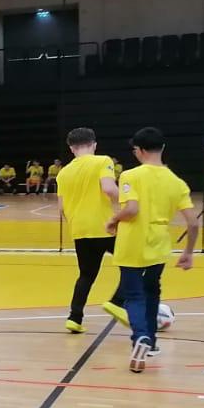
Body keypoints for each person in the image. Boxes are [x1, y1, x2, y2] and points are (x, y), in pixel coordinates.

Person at [108, 126, 200, 373]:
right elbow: (193, 223)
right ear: (163, 148)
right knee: (152, 292)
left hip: (132, 244)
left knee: (133, 296)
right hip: (159, 244)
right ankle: (151, 343)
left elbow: (132, 209)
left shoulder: (130, 176)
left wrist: (114, 220)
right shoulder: (177, 182)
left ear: (138, 150)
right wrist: (188, 253)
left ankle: (140, 337)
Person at [56, 127, 125, 334]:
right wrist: (129, 203)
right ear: (94, 144)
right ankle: (117, 302)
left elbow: (61, 208)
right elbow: (109, 188)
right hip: (105, 227)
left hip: (80, 230)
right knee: (135, 264)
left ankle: (74, 318)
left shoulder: (63, 172)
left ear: (71, 148)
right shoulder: (102, 161)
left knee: (86, 275)